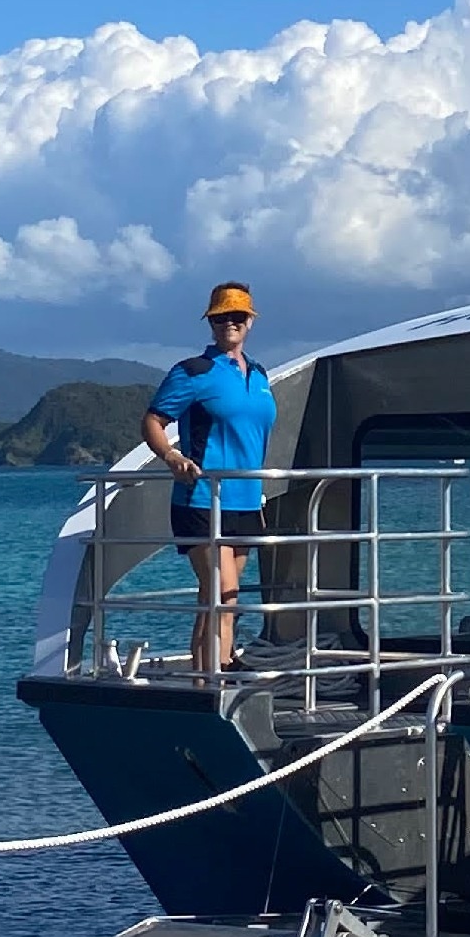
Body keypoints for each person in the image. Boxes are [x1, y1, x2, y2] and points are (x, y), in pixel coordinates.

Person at [143, 282, 277, 674]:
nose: (229, 323)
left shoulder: (260, 374)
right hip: (202, 498)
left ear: (250, 321)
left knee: (219, 597)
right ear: (211, 323)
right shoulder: (193, 372)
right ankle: (217, 679)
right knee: (223, 593)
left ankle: (209, 676)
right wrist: (171, 455)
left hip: (247, 499)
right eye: (221, 317)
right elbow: (153, 420)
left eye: (237, 316)